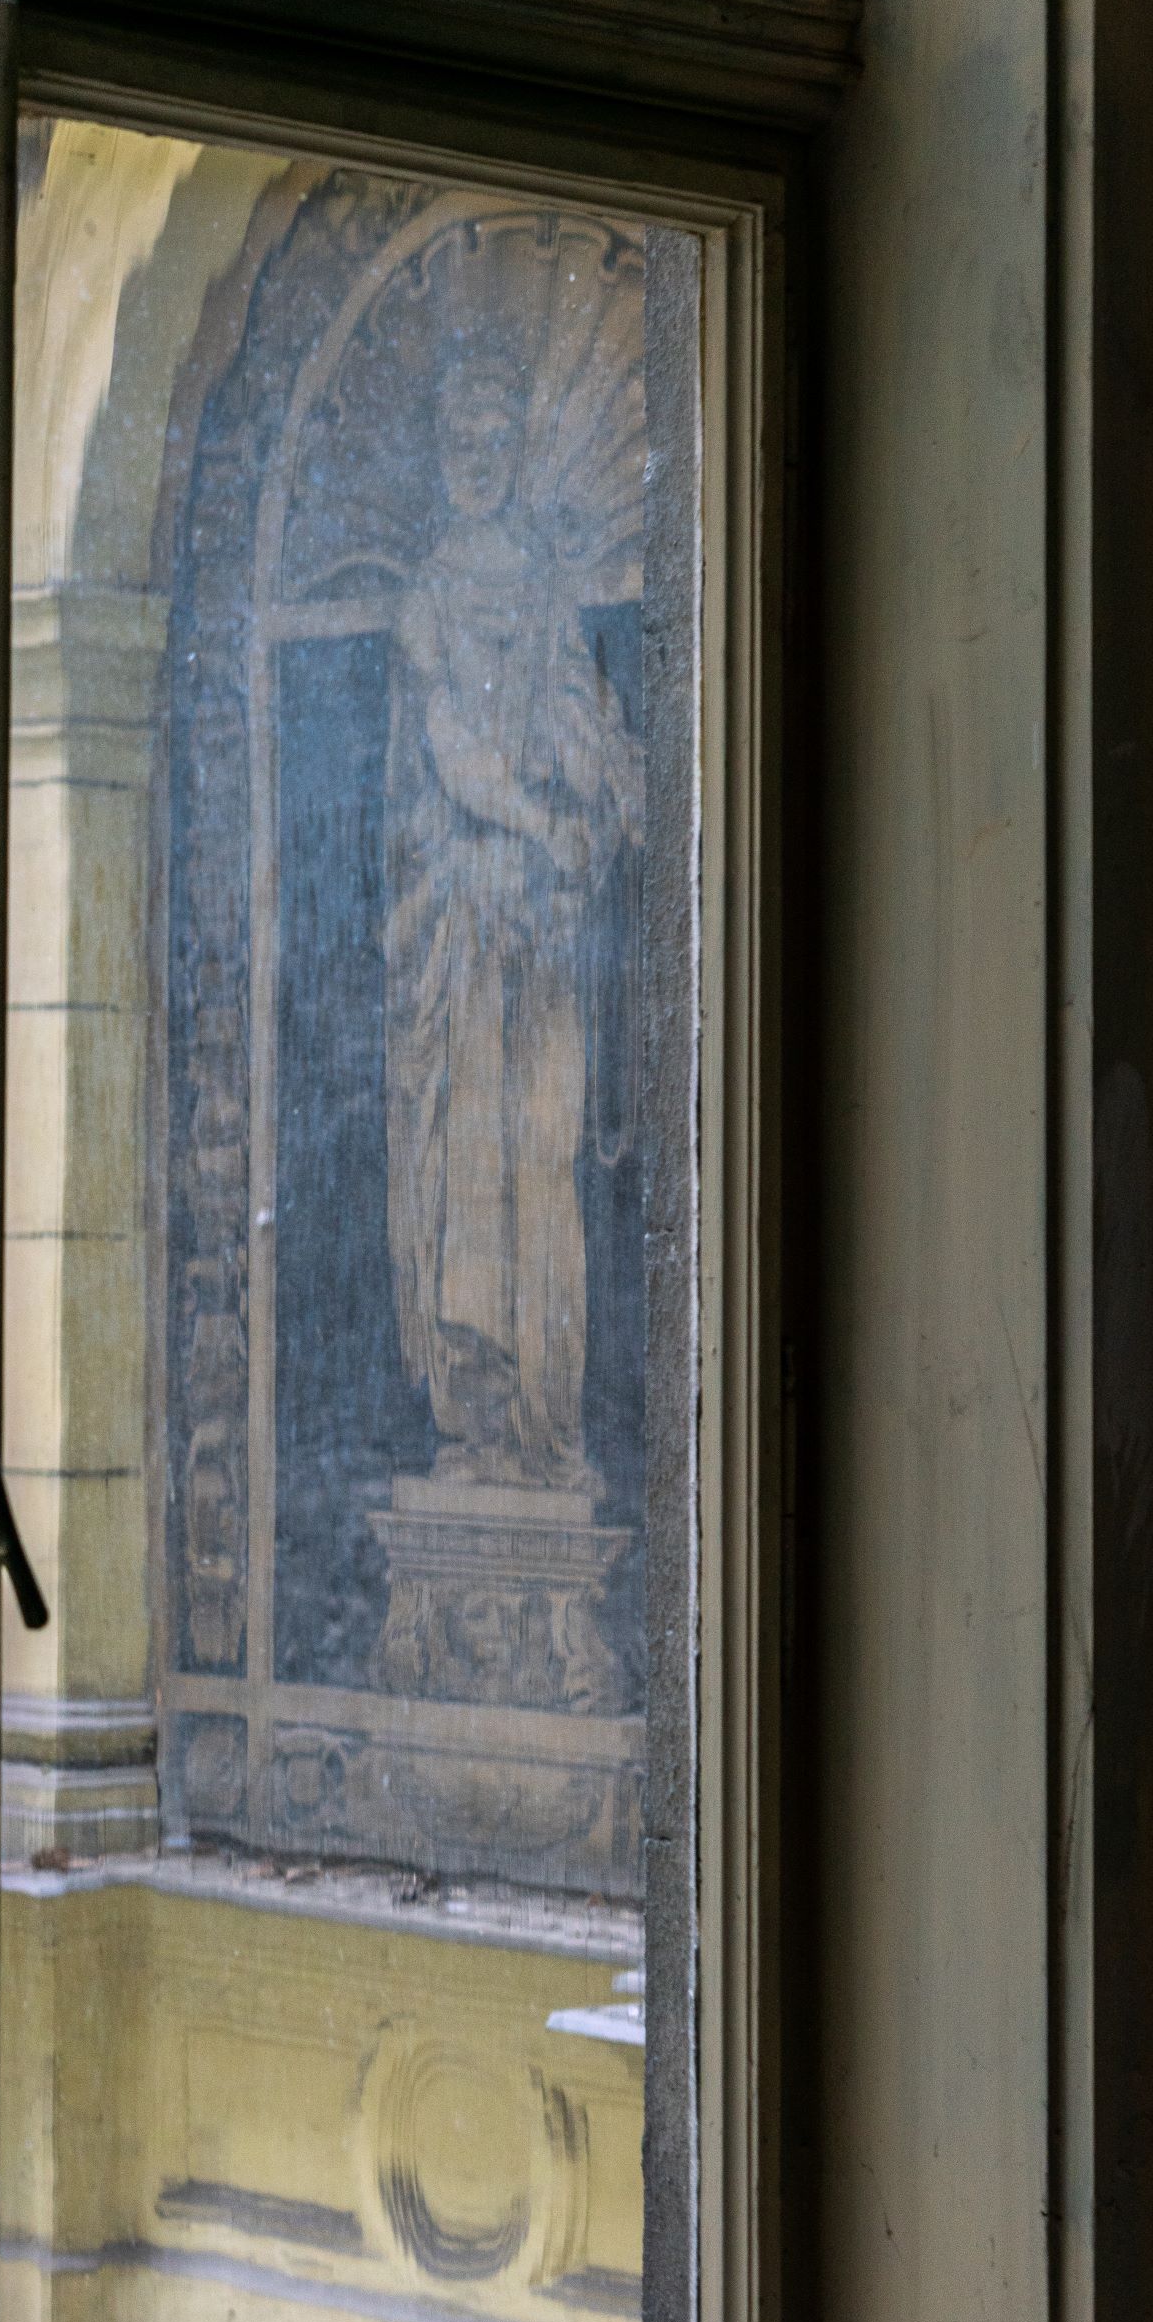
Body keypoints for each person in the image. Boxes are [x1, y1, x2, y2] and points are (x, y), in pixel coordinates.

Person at [383, 339, 643, 1497]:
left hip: (538, 934)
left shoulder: (543, 592)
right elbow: (452, 748)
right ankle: (475, 1409)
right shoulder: (428, 596)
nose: (475, 458)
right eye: (459, 441)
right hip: (462, 927)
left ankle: (544, 1412)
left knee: (543, 1152)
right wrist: (544, 827)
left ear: (515, 450)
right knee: (465, 1163)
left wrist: (617, 800)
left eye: (494, 440)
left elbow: (582, 718)